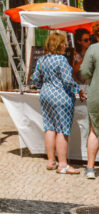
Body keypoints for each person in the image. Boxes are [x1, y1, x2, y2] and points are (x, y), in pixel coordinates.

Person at [31, 31, 85, 174]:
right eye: (64, 43)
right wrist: (79, 90)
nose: (66, 46)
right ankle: (63, 165)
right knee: (62, 130)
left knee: (49, 127)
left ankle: (51, 161)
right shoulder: (61, 60)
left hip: (45, 95)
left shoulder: (41, 60)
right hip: (61, 97)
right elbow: (68, 81)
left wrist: (44, 85)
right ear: (59, 45)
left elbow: (35, 80)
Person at [79, 35, 99, 180]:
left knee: (94, 130)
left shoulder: (93, 49)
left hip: (97, 94)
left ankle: (90, 168)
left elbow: (84, 72)